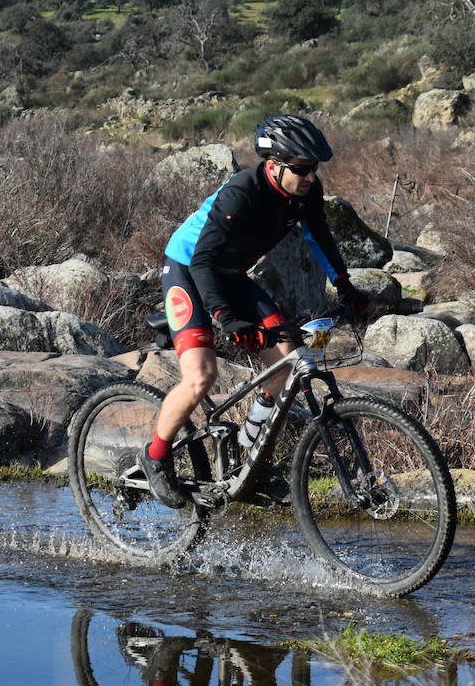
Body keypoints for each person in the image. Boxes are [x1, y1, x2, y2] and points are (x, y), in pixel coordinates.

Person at [140, 114, 370, 508]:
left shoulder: (305, 191)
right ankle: (155, 457)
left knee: (286, 362)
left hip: (227, 273)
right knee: (201, 376)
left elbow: (320, 237)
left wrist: (345, 283)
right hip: (188, 268)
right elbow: (202, 262)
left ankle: (248, 459)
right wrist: (228, 319)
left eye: (314, 168)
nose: (311, 177)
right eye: (302, 169)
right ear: (274, 164)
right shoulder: (241, 192)